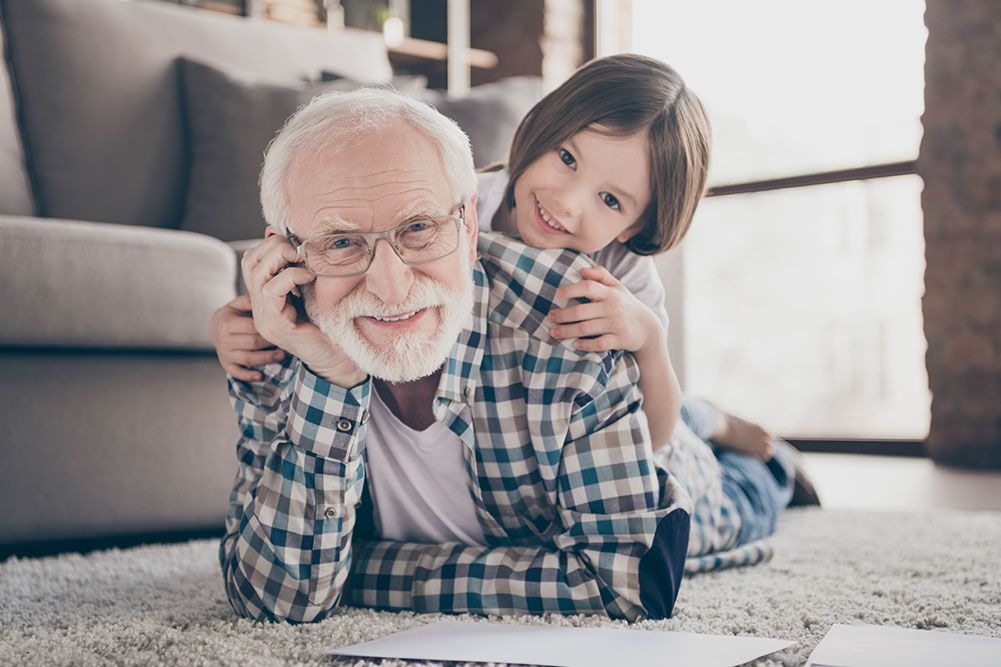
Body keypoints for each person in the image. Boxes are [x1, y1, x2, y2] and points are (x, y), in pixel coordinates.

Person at [218, 78, 801, 625]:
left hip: (662, 452)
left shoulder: (596, 300)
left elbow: (626, 572)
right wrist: (327, 372)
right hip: (583, 426)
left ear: (467, 226)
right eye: (342, 241)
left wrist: (360, 573)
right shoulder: (288, 327)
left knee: (736, 485)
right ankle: (710, 416)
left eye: (418, 228)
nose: (389, 287)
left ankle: (766, 455)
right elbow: (276, 593)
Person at [215, 54, 780, 464]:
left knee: (685, 430)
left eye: (610, 200)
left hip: (620, 421)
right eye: (567, 158)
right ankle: (710, 416)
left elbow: (649, 440)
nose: (566, 200)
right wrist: (234, 322)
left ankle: (721, 424)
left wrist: (648, 340)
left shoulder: (621, 272)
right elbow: (318, 265)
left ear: (637, 227)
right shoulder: (459, 208)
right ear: (542, 128)